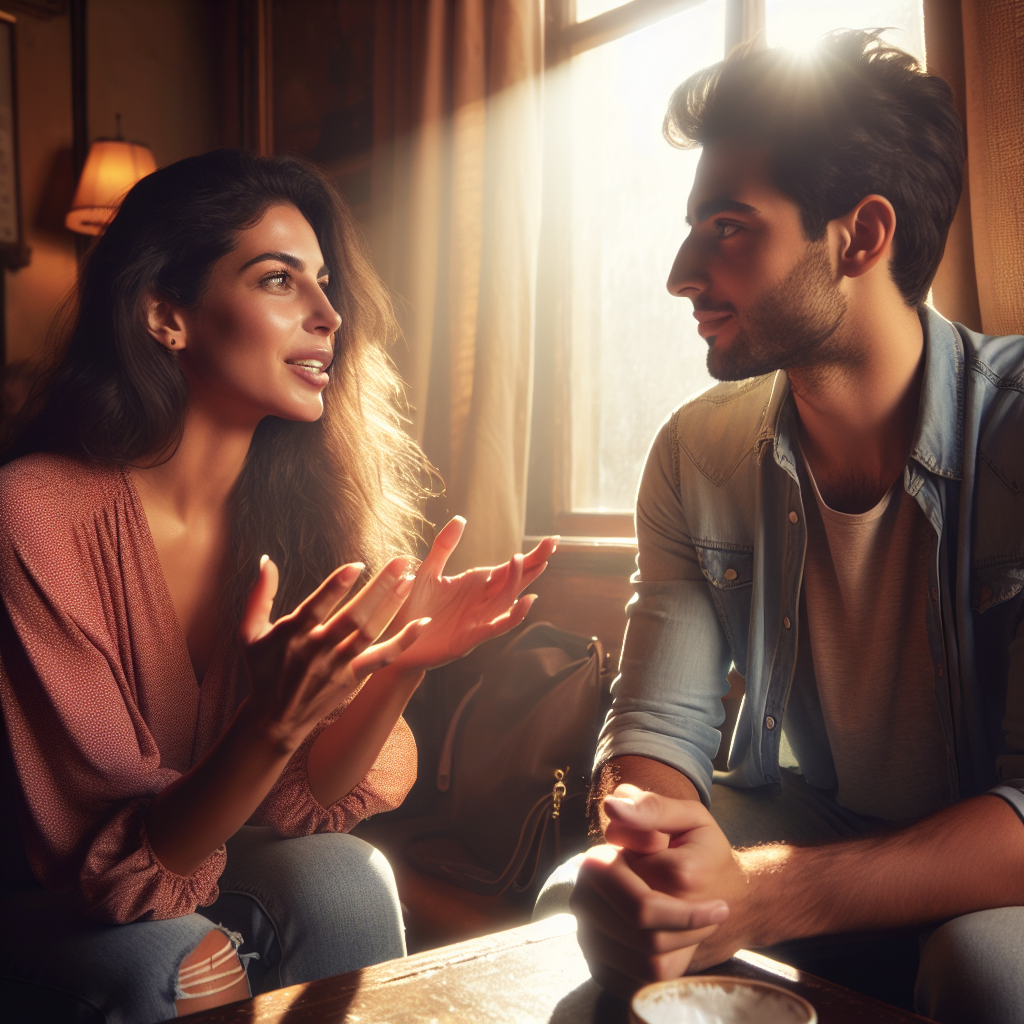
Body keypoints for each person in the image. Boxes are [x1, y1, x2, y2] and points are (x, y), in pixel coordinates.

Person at [535, 30, 1024, 1024]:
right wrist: (651, 852)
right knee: (583, 899)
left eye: (728, 227)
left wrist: (763, 890)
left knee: (985, 969)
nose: (680, 272)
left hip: (990, 865)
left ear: (860, 235)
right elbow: (655, 728)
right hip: (823, 813)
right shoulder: (693, 453)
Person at [0, 149, 555, 1023]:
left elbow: (314, 801)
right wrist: (273, 716)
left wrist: (406, 661)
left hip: (188, 862)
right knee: (180, 964)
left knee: (347, 878)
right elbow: (111, 874)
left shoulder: (305, 516)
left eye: (326, 283)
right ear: (166, 315)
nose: (330, 315)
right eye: (278, 280)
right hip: (46, 895)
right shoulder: (35, 511)